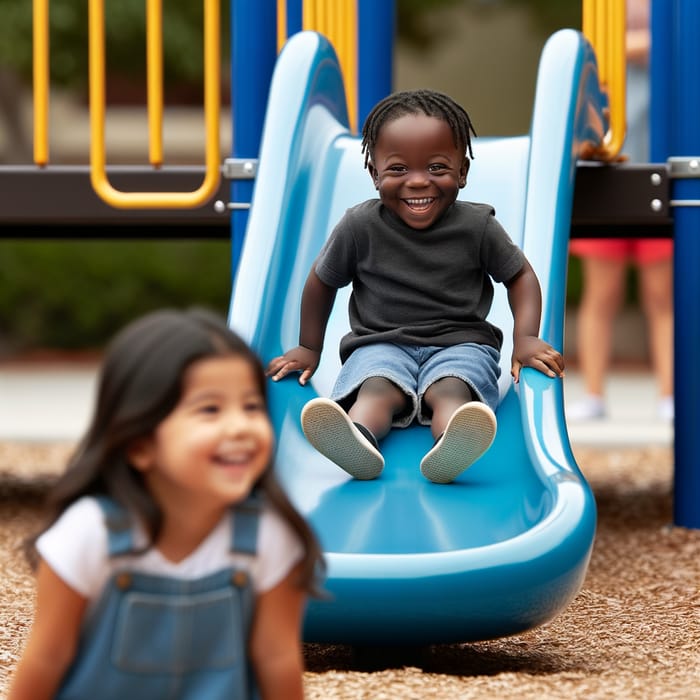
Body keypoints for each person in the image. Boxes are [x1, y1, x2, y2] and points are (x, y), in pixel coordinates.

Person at [8, 308, 324, 700]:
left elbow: (277, 660)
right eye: (210, 409)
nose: (240, 426)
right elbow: (46, 660)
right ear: (140, 444)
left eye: (251, 407)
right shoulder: (90, 534)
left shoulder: (268, 538)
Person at [266, 89, 565, 484]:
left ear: (463, 172)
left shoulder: (477, 227)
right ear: (374, 173)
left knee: (453, 388)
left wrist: (525, 338)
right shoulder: (358, 226)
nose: (419, 181)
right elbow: (321, 281)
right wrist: (309, 348)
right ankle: (356, 440)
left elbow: (520, 276)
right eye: (398, 169)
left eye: (438, 167)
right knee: (375, 388)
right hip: (379, 342)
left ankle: (453, 443)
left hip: (460, 343)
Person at [568, 0, 674, 422]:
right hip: (607, 168)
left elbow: (663, 48)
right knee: (601, 295)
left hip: (659, 169)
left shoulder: (670, 14)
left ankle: (669, 394)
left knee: (661, 295)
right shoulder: (605, 10)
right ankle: (593, 394)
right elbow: (592, 51)